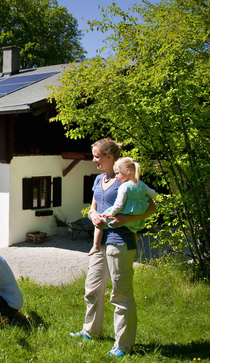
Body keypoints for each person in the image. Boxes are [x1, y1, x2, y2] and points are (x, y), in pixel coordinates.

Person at [69, 138, 157, 357]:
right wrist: (93, 215)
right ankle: (91, 331)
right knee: (92, 288)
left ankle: (123, 345)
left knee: (121, 292)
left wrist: (125, 220)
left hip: (120, 240)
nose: (94, 160)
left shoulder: (127, 180)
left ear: (110, 157)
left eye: (97, 156)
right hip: (101, 241)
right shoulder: (99, 179)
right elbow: (94, 206)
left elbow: (152, 207)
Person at [88, 157, 158, 256]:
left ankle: (95, 245)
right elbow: (154, 194)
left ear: (127, 171)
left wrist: (111, 213)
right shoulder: (142, 184)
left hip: (124, 212)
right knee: (132, 230)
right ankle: (133, 251)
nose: (116, 176)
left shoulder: (124, 187)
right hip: (136, 213)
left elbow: (119, 204)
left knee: (100, 221)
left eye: (117, 173)